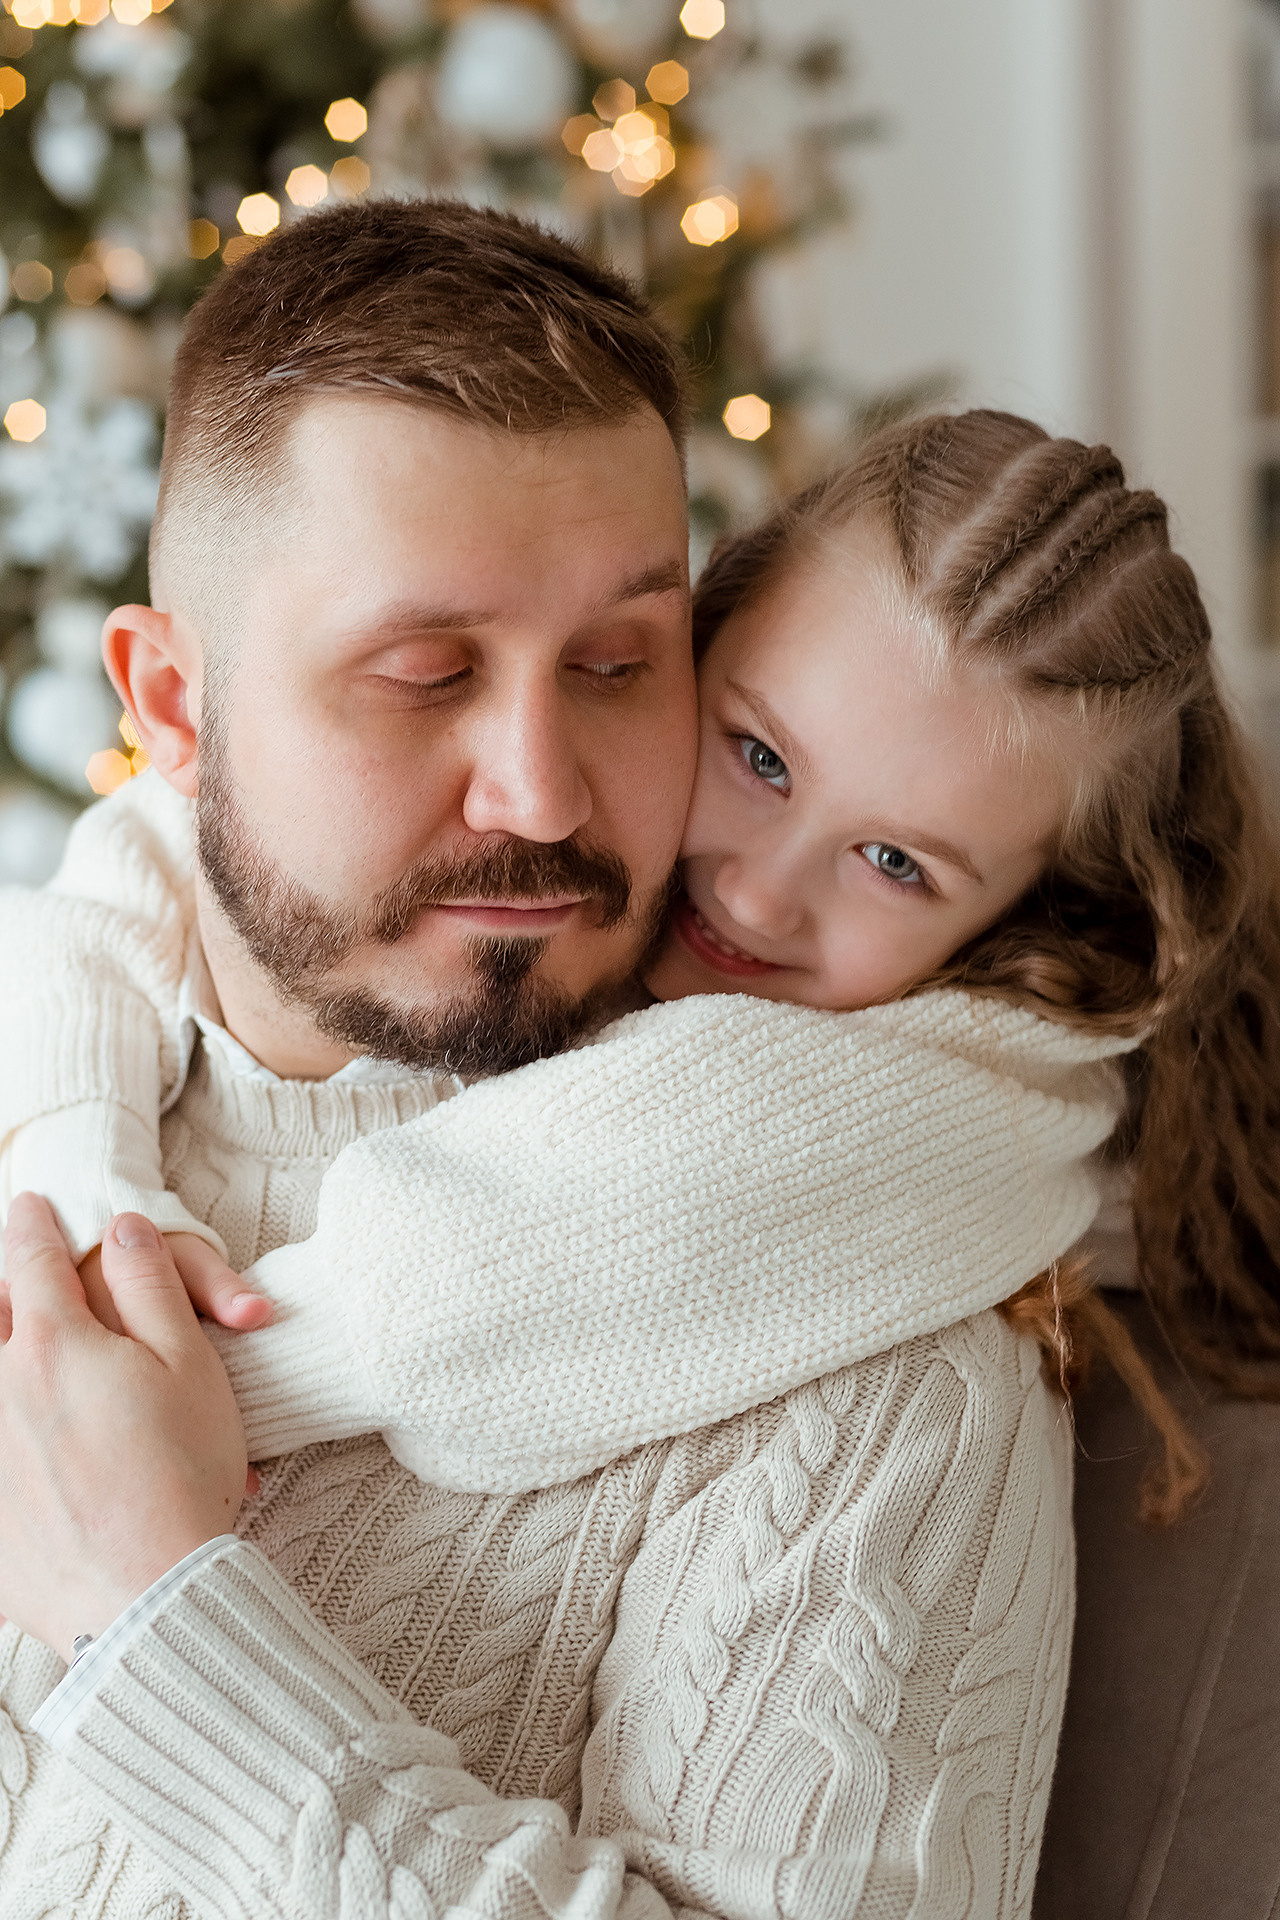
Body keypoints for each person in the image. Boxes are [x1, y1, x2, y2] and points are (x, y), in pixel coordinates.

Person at [0, 206, 1274, 1916]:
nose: (542, 790)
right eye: (423, 674)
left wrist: (154, 1627)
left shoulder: (870, 1380)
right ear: (172, 708)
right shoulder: (63, 1067)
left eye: (614, 666)